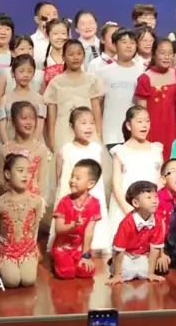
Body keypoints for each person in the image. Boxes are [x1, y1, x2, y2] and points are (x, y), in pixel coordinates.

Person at [53, 107, 109, 253]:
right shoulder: (65, 149)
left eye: (91, 123)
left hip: (92, 196)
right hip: (71, 196)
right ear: (72, 127)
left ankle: (92, 245)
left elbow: (99, 176)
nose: (89, 127)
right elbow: (59, 177)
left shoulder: (96, 149)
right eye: (83, 123)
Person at [0, 153, 46, 288]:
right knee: (12, 281)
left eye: (29, 171)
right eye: (20, 171)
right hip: (6, 252)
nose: (25, 175)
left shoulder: (36, 201)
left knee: (28, 280)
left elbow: (34, 229)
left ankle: (28, 264)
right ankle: (3, 267)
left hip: (27, 250)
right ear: (7, 174)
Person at [109, 106, 164, 238]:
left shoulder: (156, 149)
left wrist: (152, 205)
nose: (144, 125)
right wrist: (129, 210)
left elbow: (160, 180)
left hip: (151, 209)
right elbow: (116, 185)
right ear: (129, 125)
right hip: (125, 208)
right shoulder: (120, 151)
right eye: (140, 121)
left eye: (147, 121)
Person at [94, 28, 145, 153]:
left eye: (132, 43)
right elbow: (97, 105)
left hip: (135, 134)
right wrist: (98, 133)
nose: (129, 46)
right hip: (111, 135)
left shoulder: (142, 71)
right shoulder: (103, 72)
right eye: (124, 42)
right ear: (115, 45)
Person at [51, 158, 103, 279]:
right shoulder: (64, 202)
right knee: (67, 273)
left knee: (86, 271)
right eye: (72, 176)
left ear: (90, 184)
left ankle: (76, 260)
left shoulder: (94, 203)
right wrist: (73, 225)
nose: (72, 180)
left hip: (79, 248)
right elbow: (58, 229)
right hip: (63, 246)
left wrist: (85, 255)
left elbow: (89, 231)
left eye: (77, 178)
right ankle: (59, 259)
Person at [107, 180, 166, 284]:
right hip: (126, 253)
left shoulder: (158, 220)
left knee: (144, 273)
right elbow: (119, 249)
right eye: (149, 198)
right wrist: (117, 275)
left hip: (142, 254)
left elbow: (155, 247)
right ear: (135, 203)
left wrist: (150, 273)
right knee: (127, 273)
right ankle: (114, 263)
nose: (154, 201)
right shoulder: (127, 223)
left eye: (156, 197)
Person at [132, 37, 176, 159]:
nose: (166, 57)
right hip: (153, 130)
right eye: (162, 53)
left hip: (173, 129)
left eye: (170, 53)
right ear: (154, 54)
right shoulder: (145, 78)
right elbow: (141, 112)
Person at [0, 101, 52, 199]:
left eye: (32, 118)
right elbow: (0, 184)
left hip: (33, 202)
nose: (29, 122)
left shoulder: (41, 150)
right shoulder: (4, 150)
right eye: (24, 118)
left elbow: (41, 183)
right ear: (13, 120)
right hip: (10, 202)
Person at [0, 55, 47, 144]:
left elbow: (40, 123)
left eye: (29, 71)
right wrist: (7, 144)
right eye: (21, 71)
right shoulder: (5, 99)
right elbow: (2, 123)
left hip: (34, 143)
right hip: (10, 142)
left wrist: (33, 143)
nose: (25, 75)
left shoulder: (39, 99)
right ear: (12, 73)